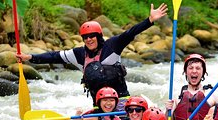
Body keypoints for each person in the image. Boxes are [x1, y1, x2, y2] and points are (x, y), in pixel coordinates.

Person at [16, 3, 168, 110]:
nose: (89, 39)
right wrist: (29, 57)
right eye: (85, 37)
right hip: (99, 106)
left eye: (92, 36)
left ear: (99, 36)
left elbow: (131, 33)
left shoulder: (113, 45)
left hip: (121, 102)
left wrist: (149, 21)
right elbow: (54, 56)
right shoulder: (78, 54)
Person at [165, 53, 218, 120]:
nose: (194, 71)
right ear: (185, 71)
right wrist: (167, 111)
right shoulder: (177, 95)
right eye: (191, 68)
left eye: (198, 68)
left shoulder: (211, 94)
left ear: (203, 72)